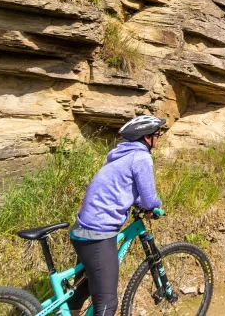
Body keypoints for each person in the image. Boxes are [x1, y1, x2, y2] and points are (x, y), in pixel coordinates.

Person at [66, 115, 166, 316]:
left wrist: (138, 203)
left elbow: (122, 188)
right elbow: (149, 198)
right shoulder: (141, 157)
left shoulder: (119, 155)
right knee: (107, 303)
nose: (159, 137)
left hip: (82, 229)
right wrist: (154, 207)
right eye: (157, 134)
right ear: (146, 138)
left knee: (83, 287)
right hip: (98, 233)